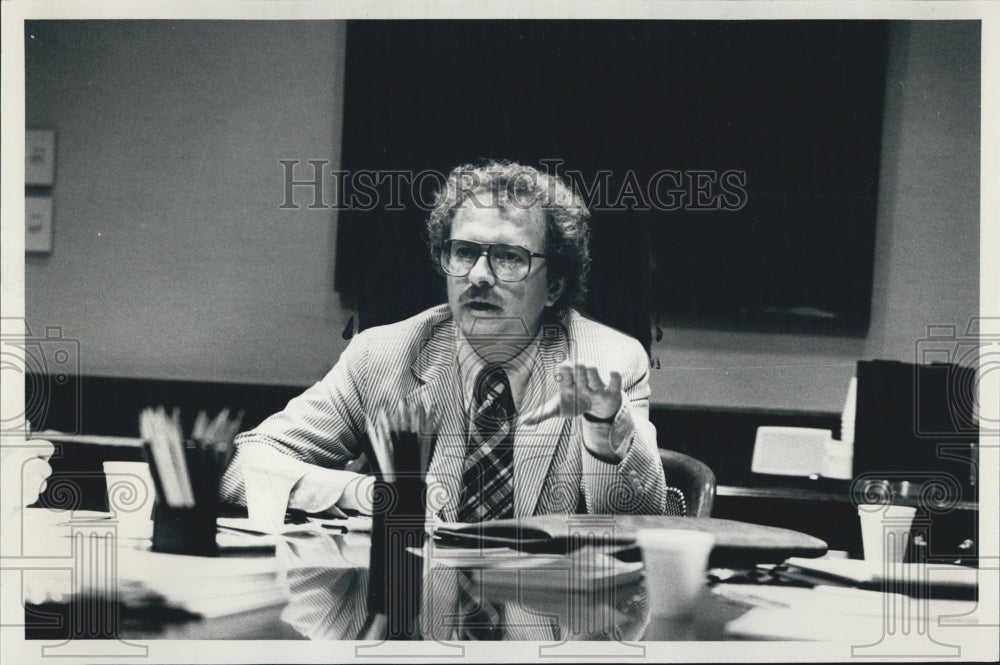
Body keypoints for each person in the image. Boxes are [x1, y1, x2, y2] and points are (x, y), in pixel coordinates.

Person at [219, 161, 671, 520]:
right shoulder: (385, 355)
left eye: (509, 258)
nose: (477, 276)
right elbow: (245, 465)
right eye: (464, 252)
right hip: (413, 610)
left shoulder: (603, 360)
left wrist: (603, 425)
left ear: (553, 286)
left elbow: (640, 520)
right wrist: (364, 493)